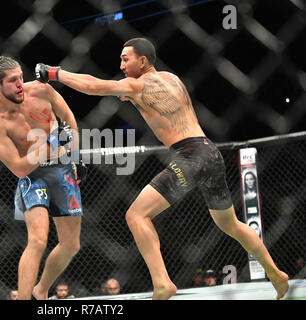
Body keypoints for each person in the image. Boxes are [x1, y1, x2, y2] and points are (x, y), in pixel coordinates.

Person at [35, 37, 289, 300]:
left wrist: (55, 73)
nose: (121, 64)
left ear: (142, 60)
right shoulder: (173, 79)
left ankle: (162, 283)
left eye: (126, 58)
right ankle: (276, 273)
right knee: (230, 223)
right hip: (210, 152)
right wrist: (128, 93)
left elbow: (93, 86)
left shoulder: (138, 84)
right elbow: (152, 103)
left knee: (136, 215)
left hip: (189, 155)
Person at [0, 56, 85, 300]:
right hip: (32, 177)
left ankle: (41, 289)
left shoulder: (42, 91)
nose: (20, 84)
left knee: (71, 245)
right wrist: (52, 144)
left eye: (20, 77)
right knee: (38, 239)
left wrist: (76, 157)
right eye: (12, 80)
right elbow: (18, 168)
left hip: (62, 169)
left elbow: (69, 121)